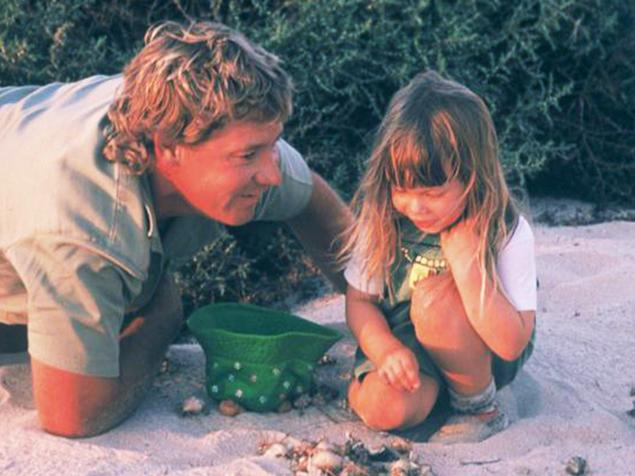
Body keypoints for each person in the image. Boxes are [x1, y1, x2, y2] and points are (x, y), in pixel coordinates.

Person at [0, 20, 351, 438]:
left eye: (271, 145)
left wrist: (384, 317)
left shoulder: (220, 125)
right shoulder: (82, 227)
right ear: (166, 146)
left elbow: (313, 203)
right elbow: (72, 416)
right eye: (249, 155)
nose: (272, 174)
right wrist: (161, 317)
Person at [341, 71, 536, 443]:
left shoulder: (505, 230)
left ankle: (477, 406)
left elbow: (512, 343)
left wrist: (467, 267)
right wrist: (386, 351)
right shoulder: (383, 219)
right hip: (408, 343)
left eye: (432, 192)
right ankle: (373, 392)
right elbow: (360, 302)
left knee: (436, 303)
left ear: (473, 177)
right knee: (386, 410)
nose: (415, 206)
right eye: (401, 188)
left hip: (484, 351)